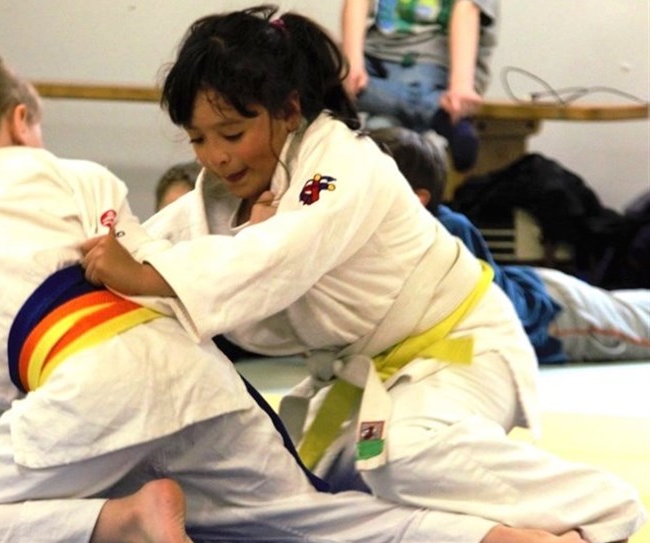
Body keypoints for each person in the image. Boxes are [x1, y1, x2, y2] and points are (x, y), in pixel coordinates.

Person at [0, 42, 555, 543]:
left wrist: (35, 436)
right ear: (19, 121)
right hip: (192, 372)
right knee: (307, 518)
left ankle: (125, 520)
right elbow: (143, 256)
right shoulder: (79, 175)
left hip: (80, 380)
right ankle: (499, 536)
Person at [80, 6, 647, 542]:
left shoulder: (340, 165)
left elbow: (271, 255)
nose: (217, 158)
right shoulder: (222, 194)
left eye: (231, 134)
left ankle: (597, 509)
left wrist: (146, 275)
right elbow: (150, 239)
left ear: (288, 109)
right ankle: (504, 532)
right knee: (280, 486)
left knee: (402, 455)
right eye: (198, 139)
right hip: (361, 379)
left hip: (457, 348)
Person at [368, 126, 650, 365]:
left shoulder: (446, 232)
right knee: (628, 306)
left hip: (550, 316)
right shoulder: (371, 231)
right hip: (530, 285)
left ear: (418, 199)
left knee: (637, 322)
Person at [340, 0, 499, 171]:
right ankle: (433, 110)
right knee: (325, 79)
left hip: (428, 57)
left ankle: (380, 100)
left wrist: (460, 87)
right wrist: (352, 63)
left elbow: (467, 11)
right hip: (374, 50)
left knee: (382, 126)